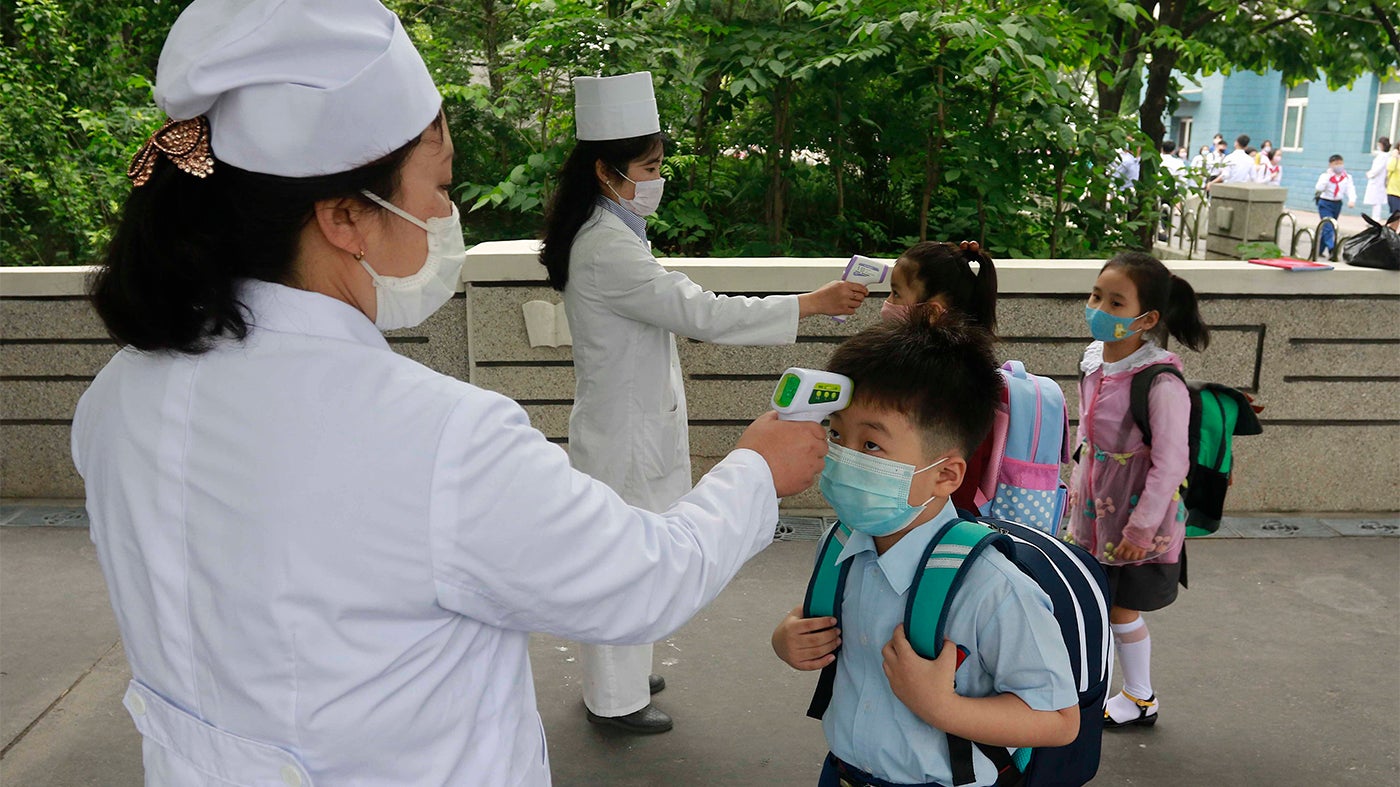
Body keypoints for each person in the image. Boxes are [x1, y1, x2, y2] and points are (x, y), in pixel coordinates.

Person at [72, 2, 830, 783]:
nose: (444, 214)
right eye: (437, 185)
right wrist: (757, 469)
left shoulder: (117, 396)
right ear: (343, 216)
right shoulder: (435, 436)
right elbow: (643, 578)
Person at [537, 71, 867, 735]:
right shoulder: (606, 246)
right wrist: (810, 304)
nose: (658, 177)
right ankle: (615, 696)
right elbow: (700, 312)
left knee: (639, 551)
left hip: (629, 423)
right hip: (624, 433)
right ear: (607, 173)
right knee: (628, 561)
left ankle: (627, 669)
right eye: (649, 166)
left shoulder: (614, 230)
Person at [771, 312, 1079, 787]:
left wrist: (943, 708)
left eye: (871, 443)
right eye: (837, 434)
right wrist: (788, 638)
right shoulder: (839, 549)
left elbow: (1059, 720)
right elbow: (846, 623)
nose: (843, 456)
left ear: (946, 475)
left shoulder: (994, 589)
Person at [1066, 252, 1209, 730]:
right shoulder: (1094, 359)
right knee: (1097, 603)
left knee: (1120, 609)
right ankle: (1103, 691)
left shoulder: (1159, 380)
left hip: (1133, 516)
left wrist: (1142, 528)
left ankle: (1139, 696)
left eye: (1115, 302)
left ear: (1146, 319)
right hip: (1094, 508)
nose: (1099, 307)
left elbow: (1171, 464)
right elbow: (1089, 437)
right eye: (1096, 295)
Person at [879, 240, 997, 333]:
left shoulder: (900, 361)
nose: (887, 302)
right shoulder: (970, 359)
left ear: (932, 313)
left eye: (896, 293)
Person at [1313, 154, 1357, 258]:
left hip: (1337, 204)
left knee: (1329, 226)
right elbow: (1319, 188)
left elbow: (1350, 189)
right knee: (1328, 226)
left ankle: (1318, 249)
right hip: (1325, 203)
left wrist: (1352, 200)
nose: (1339, 166)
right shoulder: (1325, 176)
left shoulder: (1346, 177)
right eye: (1336, 164)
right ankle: (1332, 249)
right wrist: (1328, 177)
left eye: (1340, 163)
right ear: (1330, 165)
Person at [1365, 137, 1392, 221]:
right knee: (1376, 201)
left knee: (1377, 201)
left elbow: (1378, 168)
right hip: (1378, 181)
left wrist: (1370, 174)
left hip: (1378, 181)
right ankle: (1375, 218)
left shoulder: (1383, 157)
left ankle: (1375, 219)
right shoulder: (1383, 155)